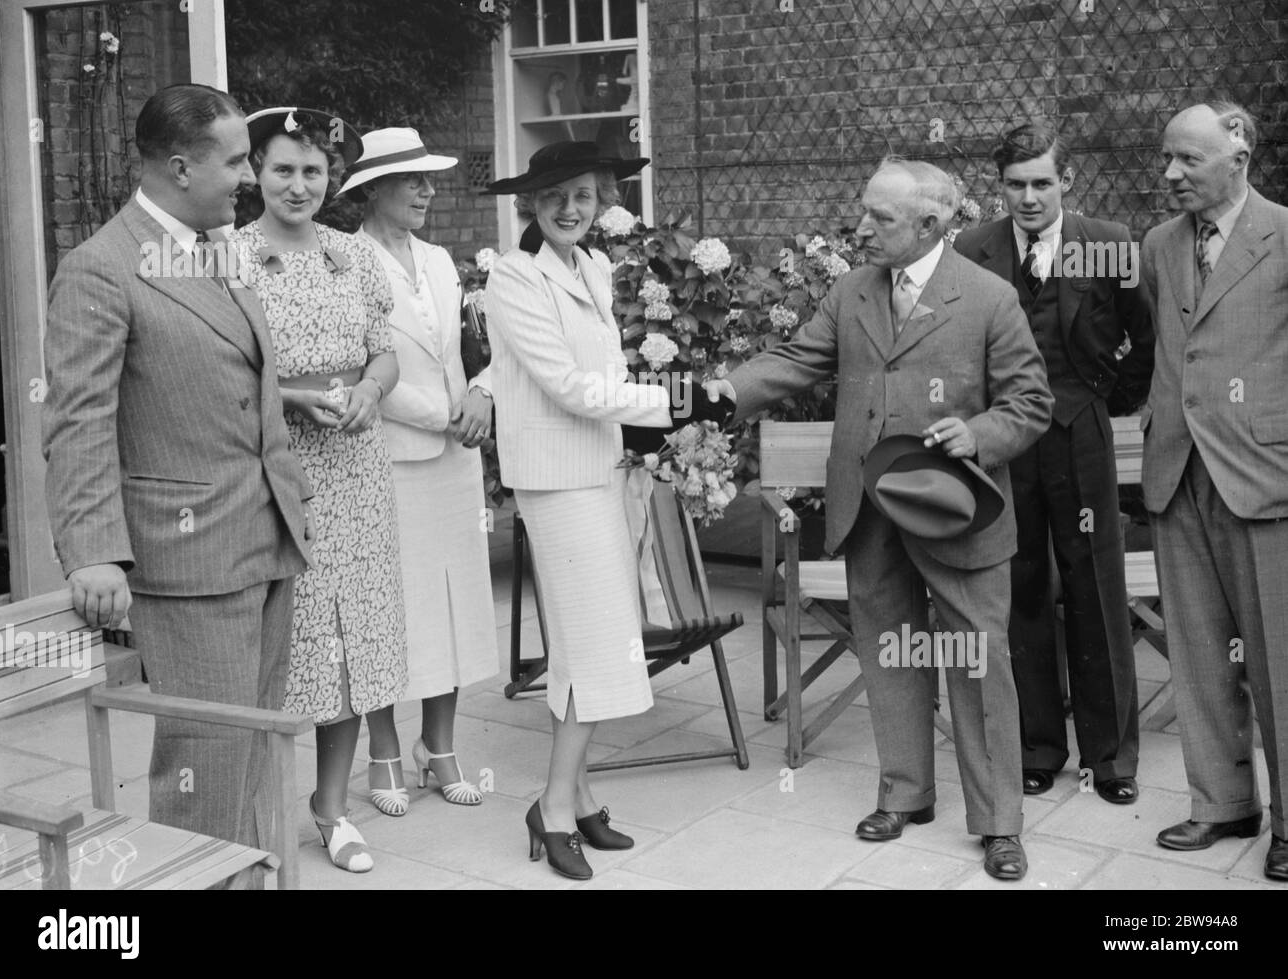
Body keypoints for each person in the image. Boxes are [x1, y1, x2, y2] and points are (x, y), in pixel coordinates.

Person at [706, 159, 1052, 881]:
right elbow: (796, 360)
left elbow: (1029, 404)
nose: (861, 227)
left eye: (880, 218)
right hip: (871, 512)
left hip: (958, 513)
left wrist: (979, 435)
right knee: (891, 650)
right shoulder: (852, 290)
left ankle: (998, 823)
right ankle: (905, 792)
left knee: (977, 664)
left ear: (930, 225)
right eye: (864, 212)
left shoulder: (989, 299)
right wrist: (715, 395)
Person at [41, 84, 315, 886]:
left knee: (259, 748)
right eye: (235, 160)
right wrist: (93, 552)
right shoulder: (100, 269)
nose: (249, 176)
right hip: (188, 558)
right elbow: (79, 420)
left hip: (264, 537)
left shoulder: (214, 248)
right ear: (179, 164)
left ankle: (251, 877)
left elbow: (240, 377)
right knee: (201, 762)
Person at [483, 141, 728, 880]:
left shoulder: (593, 266)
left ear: (601, 201)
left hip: (599, 466)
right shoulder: (513, 278)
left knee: (583, 642)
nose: (568, 208)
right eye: (553, 194)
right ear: (529, 202)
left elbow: (611, 377)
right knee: (596, 641)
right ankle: (554, 805)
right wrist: (684, 397)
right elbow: (569, 388)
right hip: (555, 480)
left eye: (583, 195)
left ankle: (580, 794)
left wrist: (647, 437)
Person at [953, 120, 1154, 804]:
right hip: (1008, 439)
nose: (1030, 197)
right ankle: (1038, 744)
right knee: (1020, 583)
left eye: (1043, 182)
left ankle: (1111, 756)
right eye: (1016, 185)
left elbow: (1143, 337)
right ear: (999, 186)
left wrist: (1100, 401)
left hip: (1079, 431)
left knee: (1095, 585)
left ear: (1066, 181)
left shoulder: (1108, 244)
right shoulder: (973, 247)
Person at [234, 107, 408, 874]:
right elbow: (221, 379)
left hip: (358, 472)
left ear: (330, 177)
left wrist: (372, 388)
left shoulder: (354, 256)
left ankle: (332, 809)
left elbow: (387, 351)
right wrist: (288, 399)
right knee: (285, 643)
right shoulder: (230, 259)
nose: (299, 185)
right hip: (277, 473)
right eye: (283, 170)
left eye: (312, 171)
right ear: (256, 173)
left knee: (350, 644)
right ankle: (261, 809)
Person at [1141, 101, 1288, 881]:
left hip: (1265, 478)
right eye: (1167, 159)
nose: (1170, 175)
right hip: (1178, 473)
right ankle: (1222, 802)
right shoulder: (1161, 245)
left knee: (1280, 661)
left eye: (1186, 161)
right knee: (1198, 654)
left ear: (1238, 156)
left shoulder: (1285, 233)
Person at [339, 127, 500, 807]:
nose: (428, 190)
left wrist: (484, 392)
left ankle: (441, 749)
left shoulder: (440, 260)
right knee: (392, 607)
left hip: (454, 464)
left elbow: (476, 345)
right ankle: (384, 754)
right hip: (389, 458)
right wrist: (441, 414)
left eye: (430, 178)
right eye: (414, 179)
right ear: (374, 188)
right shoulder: (345, 260)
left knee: (452, 601)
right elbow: (356, 363)